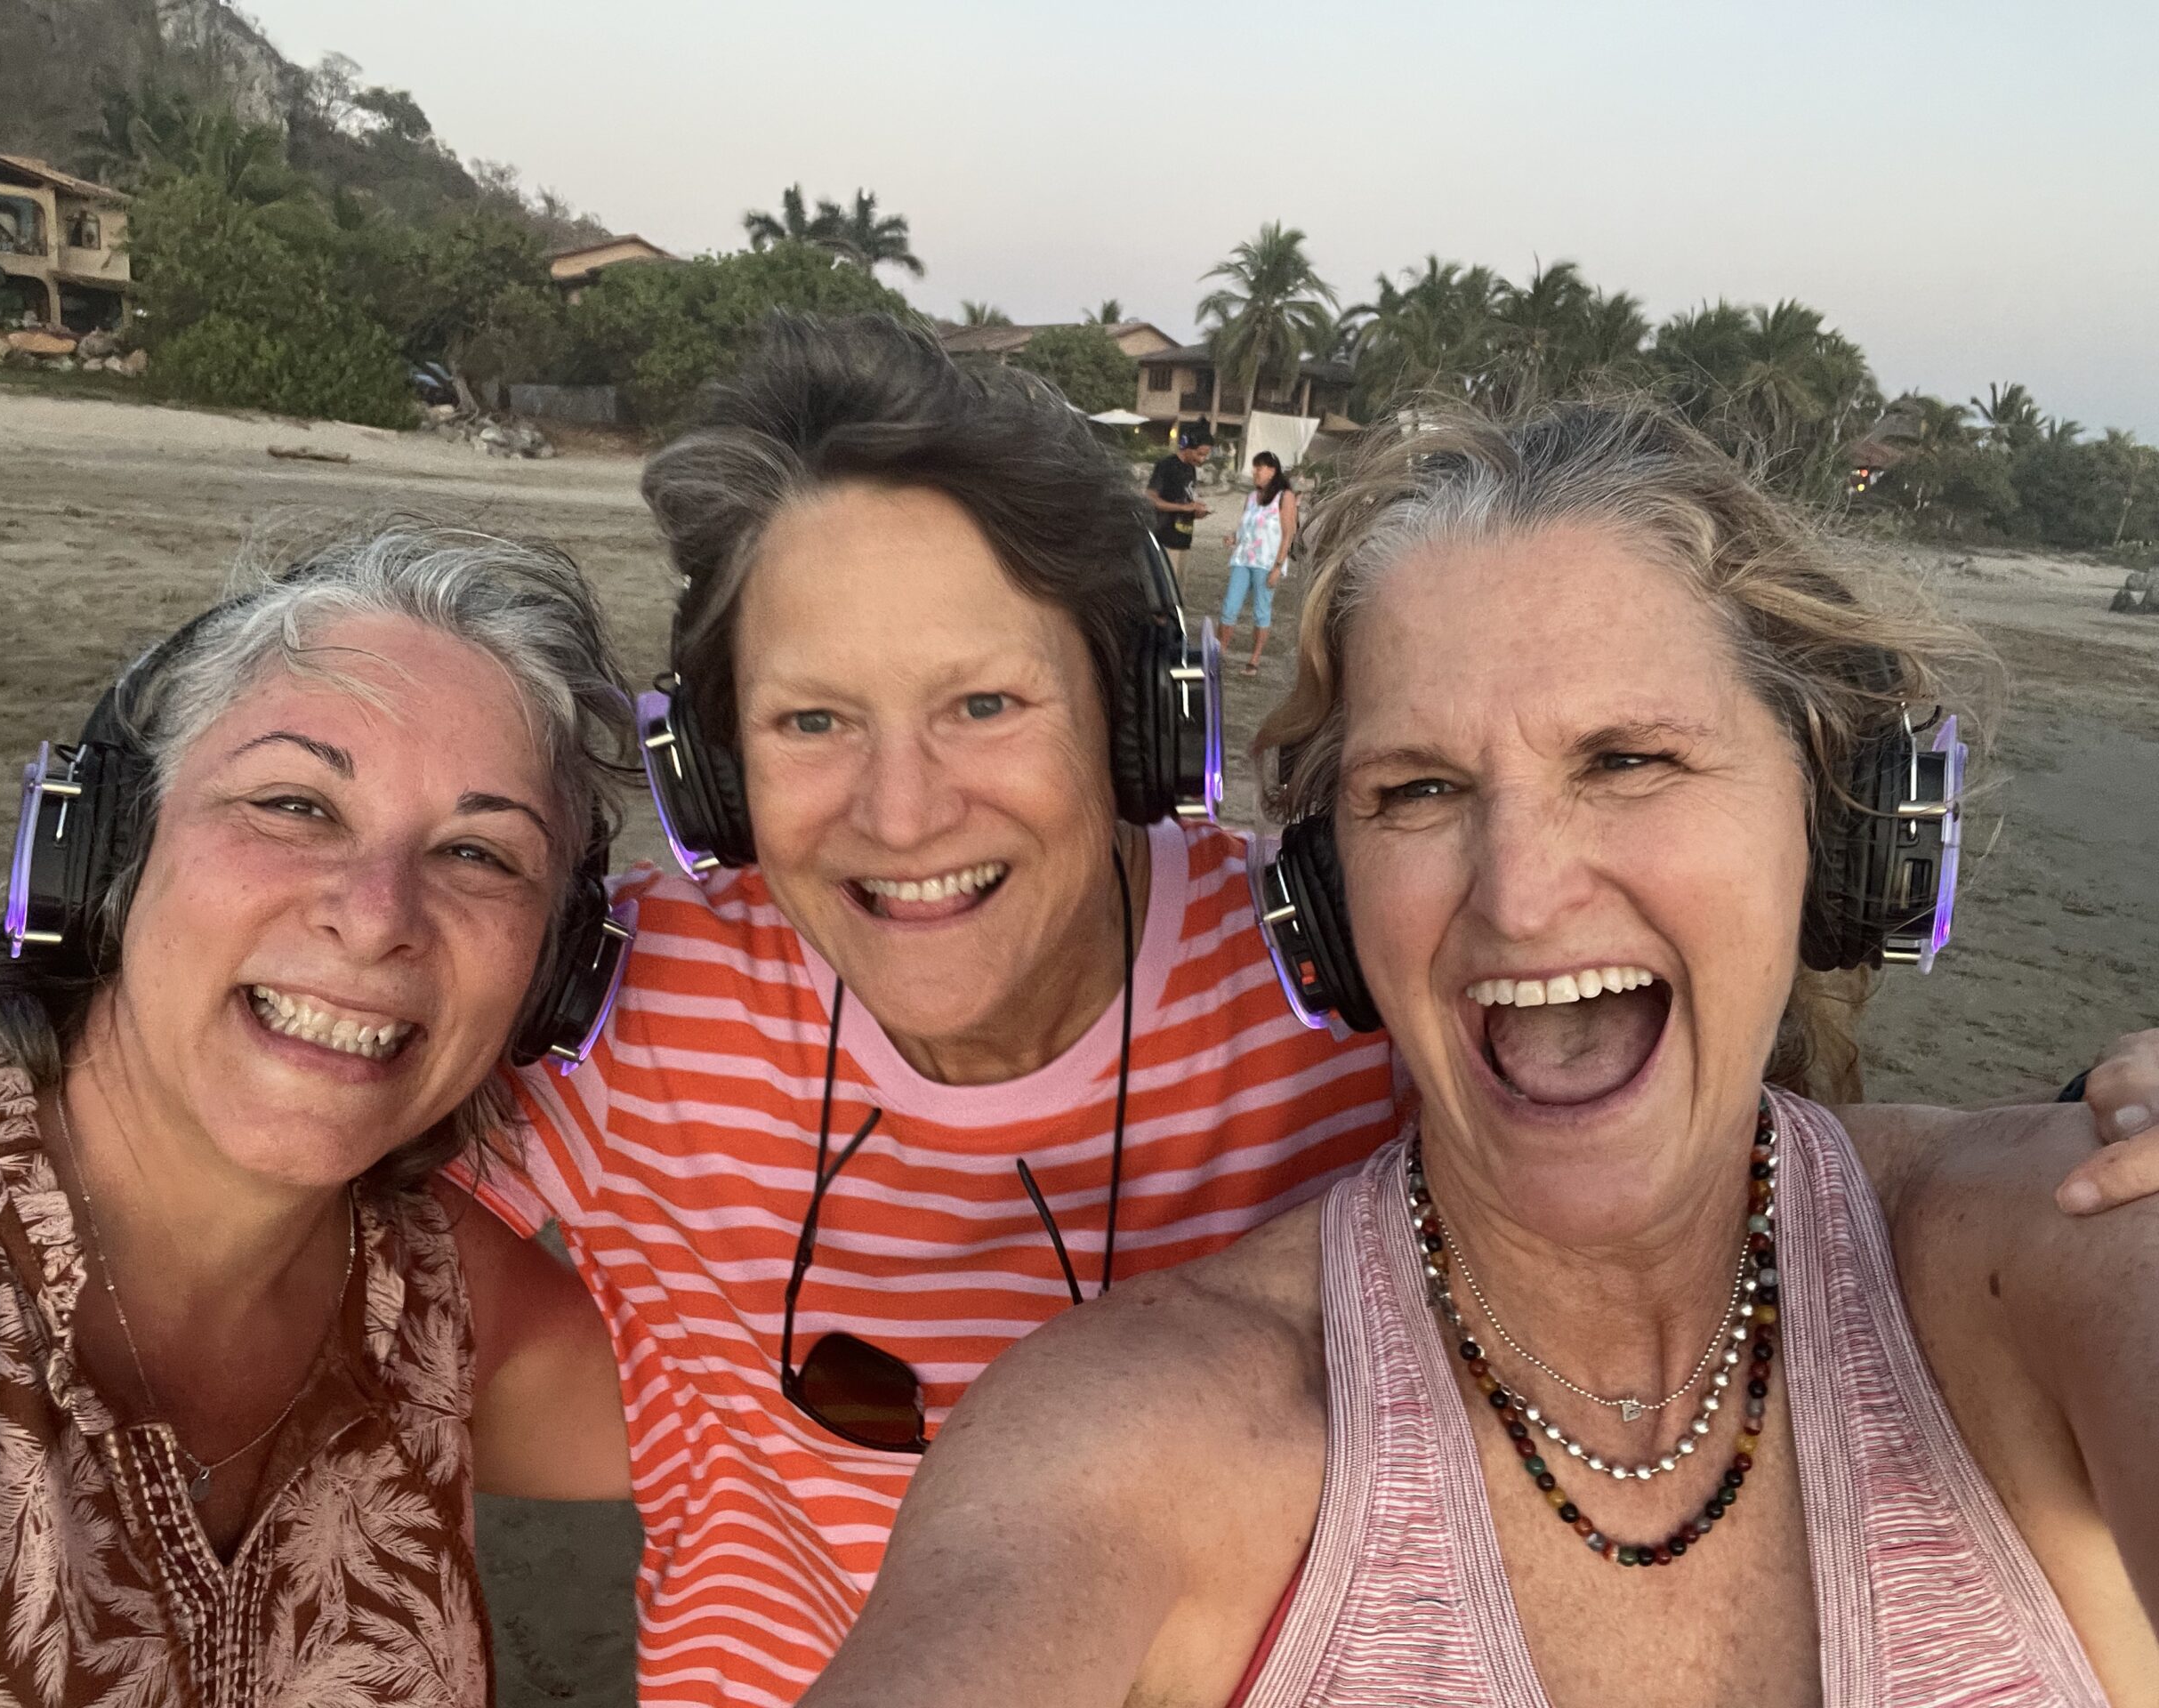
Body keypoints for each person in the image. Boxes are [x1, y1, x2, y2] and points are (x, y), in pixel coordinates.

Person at [450, 318, 2159, 1708]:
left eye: (983, 701)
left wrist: (2102, 1111)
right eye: (813, 721)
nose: (1520, 892)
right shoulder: (629, 1006)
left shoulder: (2050, 1242)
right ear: (712, 772)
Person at [0, 528, 635, 1705]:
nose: (377, 913)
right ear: (107, 856)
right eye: (294, 803)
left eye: (479, 853)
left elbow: (841, 1425)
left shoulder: (436, 1306)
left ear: (554, 982)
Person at [1221, 450, 1300, 675]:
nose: (1255, 472)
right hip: (1243, 558)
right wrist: (1234, 538)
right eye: (1254, 467)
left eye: (1260, 467)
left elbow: (1288, 534)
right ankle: (1221, 652)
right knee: (1229, 607)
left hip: (1266, 562)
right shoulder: (1251, 497)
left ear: (1272, 471)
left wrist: (1278, 567)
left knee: (1261, 611)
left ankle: (1254, 659)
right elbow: (1245, 526)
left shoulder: (1285, 497)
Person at [1148, 421, 1215, 587]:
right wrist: (1184, 508)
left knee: (1178, 591)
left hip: (1184, 540)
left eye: (1206, 455)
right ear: (1187, 446)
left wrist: (1196, 511)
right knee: (1165, 590)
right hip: (1165, 539)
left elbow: (1185, 500)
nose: (1202, 459)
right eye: (1200, 454)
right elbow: (1151, 499)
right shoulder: (1166, 466)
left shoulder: (1190, 469)